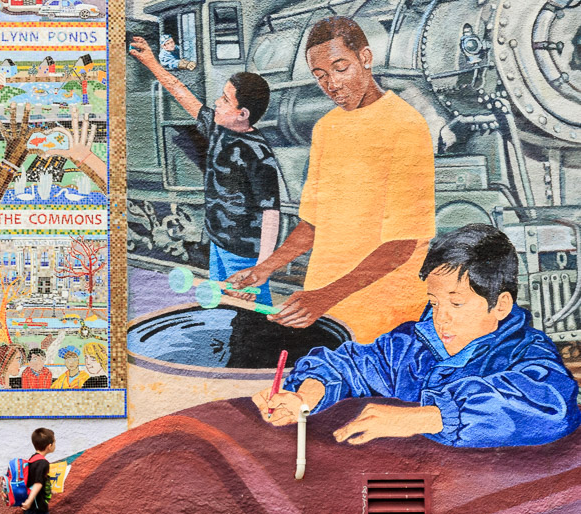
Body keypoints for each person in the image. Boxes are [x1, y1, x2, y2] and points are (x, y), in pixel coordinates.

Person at [253, 224, 581, 448]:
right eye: (435, 302)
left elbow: (549, 404)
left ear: (501, 305)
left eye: (456, 302)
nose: (441, 318)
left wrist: (427, 417)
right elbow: (349, 363)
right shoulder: (411, 345)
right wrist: (305, 398)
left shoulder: (527, 352)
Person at [228, 16, 436, 343]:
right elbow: (313, 223)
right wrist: (265, 269)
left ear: (365, 58)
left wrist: (324, 297)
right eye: (320, 75)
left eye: (341, 68)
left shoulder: (405, 126)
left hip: (383, 315)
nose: (332, 84)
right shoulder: (326, 128)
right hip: (325, 310)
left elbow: (402, 244)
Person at [130, 37, 284, 307]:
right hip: (218, 244)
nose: (216, 102)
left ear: (242, 114)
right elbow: (180, 92)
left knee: (255, 309)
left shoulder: (259, 154)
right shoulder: (216, 129)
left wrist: (263, 267)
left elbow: (271, 212)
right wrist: (152, 63)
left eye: (224, 100)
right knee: (224, 306)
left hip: (245, 253)